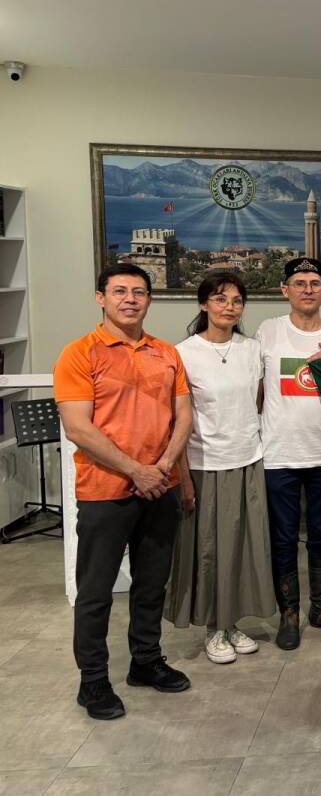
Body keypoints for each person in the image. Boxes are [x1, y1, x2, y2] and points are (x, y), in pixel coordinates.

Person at [55, 263, 194, 720]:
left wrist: (164, 468)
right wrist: (137, 470)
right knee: (95, 593)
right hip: (104, 491)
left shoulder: (166, 353)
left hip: (161, 488)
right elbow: (78, 427)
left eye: (138, 292)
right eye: (119, 291)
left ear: (149, 299)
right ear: (101, 298)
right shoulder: (79, 354)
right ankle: (93, 681)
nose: (130, 299)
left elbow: (183, 416)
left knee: (152, 584)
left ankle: (146, 662)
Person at [165, 272, 274, 664]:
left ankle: (231, 622)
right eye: (220, 298)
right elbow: (177, 420)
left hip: (248, 460)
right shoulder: (183, 353)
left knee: (243, 548)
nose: (229, 307)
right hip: (205, 465)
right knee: (209, 551)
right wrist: (183, 477)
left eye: (237, 300)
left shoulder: (252, 349)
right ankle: (213, 627)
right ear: (203, 304)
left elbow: (257, 403)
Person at [256, 257, 321, 650]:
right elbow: (255, 389)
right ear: (285, 290)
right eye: (299, 283)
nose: (307, 289)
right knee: (283, 538)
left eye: (315, 283)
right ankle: (288, 613)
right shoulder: (268, 331)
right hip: (279, 453)